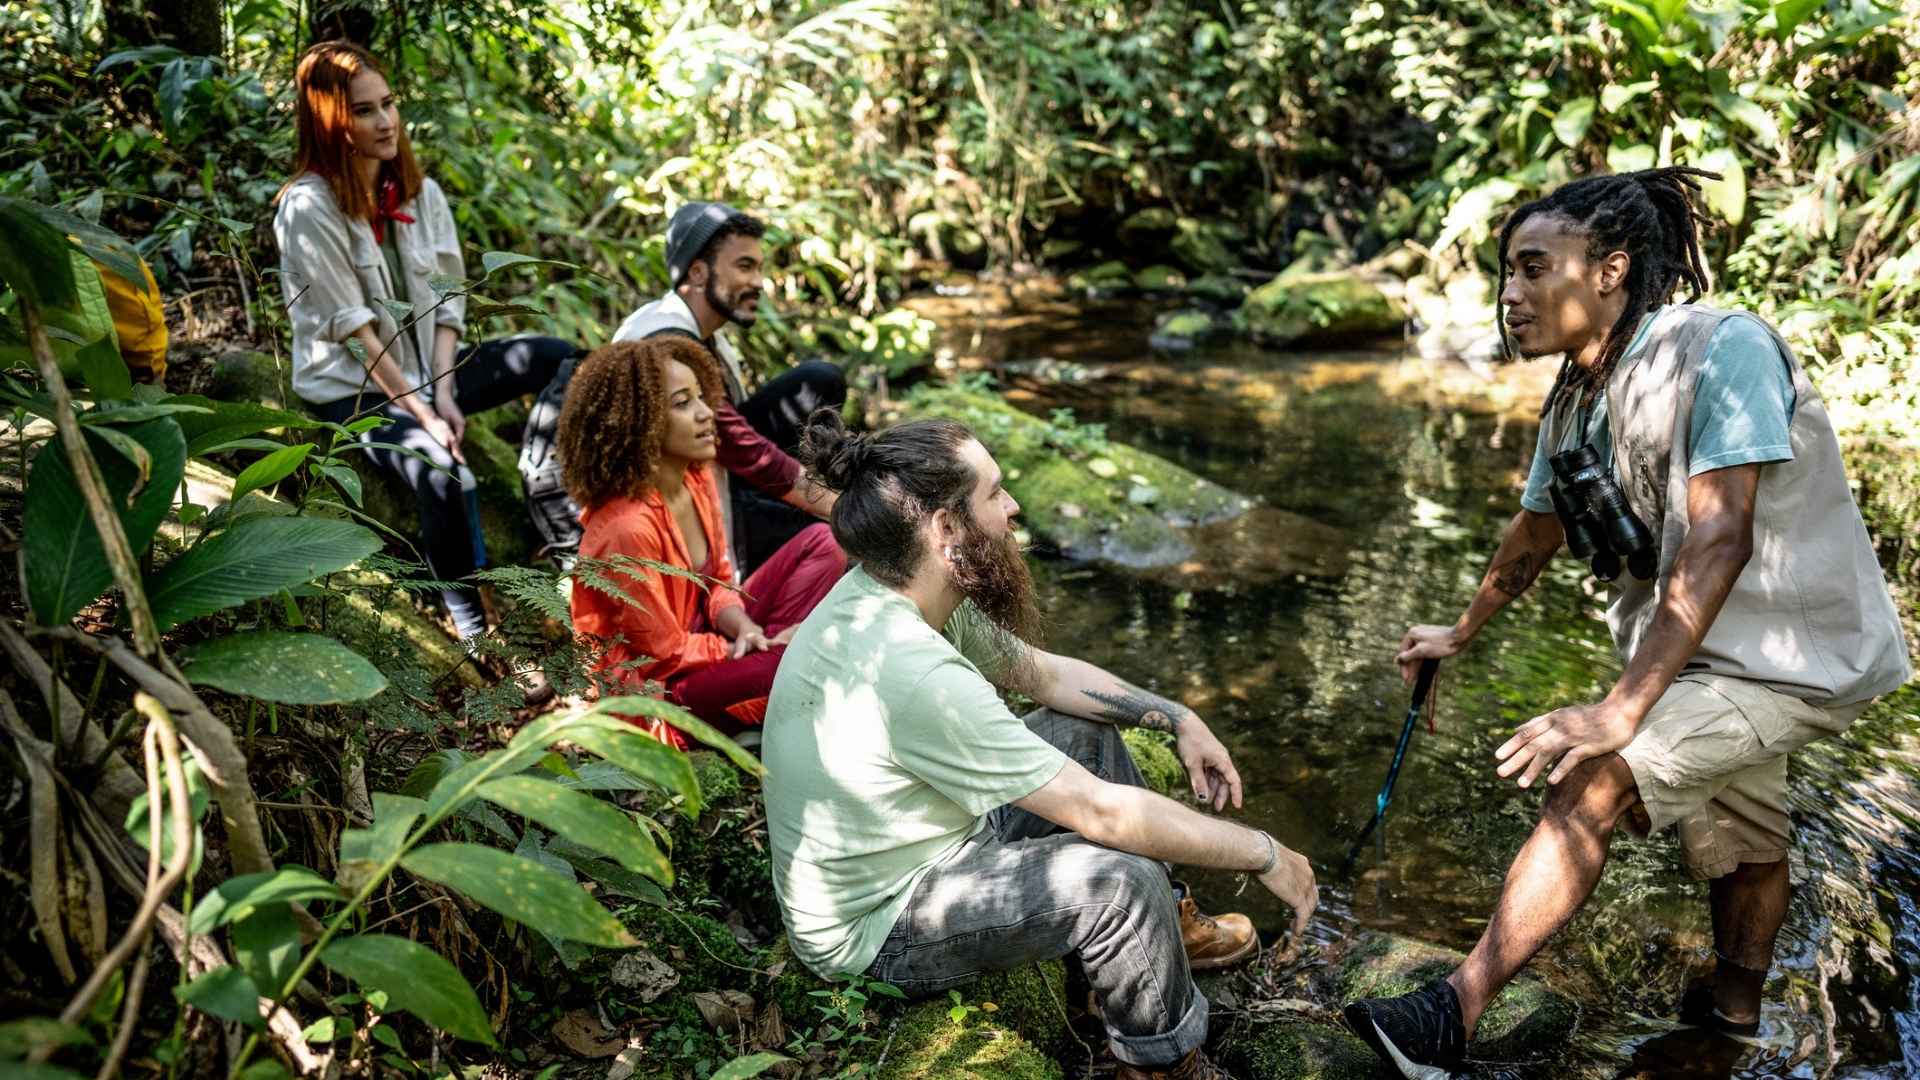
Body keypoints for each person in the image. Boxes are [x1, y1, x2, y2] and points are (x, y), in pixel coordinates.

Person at [1344, 168, 1911, 1078]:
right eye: (1506, 273)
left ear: (1609, 270)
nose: (1511, 294)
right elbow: (1534, 532)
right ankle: (1730, 1025)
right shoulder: (1573, 399)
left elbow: (1719, 540)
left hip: (1796, 661)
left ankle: (1451, 1017)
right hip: (1695, 662)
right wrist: (1460, 634)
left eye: (1534, 269)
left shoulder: (1724, 349)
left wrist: (1618, 711)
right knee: (1749, 846)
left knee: (1596, 774)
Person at [762, 410, 1320, 1080]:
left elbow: (1045, 675)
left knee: (1087, 734)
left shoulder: (902, 592)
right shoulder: (910, 670)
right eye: (995, 493)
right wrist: (1264, 853)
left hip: (929, 840)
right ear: (945, 528)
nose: (1014, 507)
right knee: (1121, 882)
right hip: (882, 925)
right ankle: (1163, 1063)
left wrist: (1177, 718)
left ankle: (1164, 934)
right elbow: (1105, 817)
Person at [274, 40, 577, 641]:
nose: (386, 121)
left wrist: (444, 390)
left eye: (388, 104)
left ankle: (558, 512)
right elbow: (357, 335)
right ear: (329, 120)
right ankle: (472, 626)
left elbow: (448, 298)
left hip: (427, 368)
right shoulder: (307, 209)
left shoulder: (420, 193)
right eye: (364, 110)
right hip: (359, 390)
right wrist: (423, 412)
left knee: (561, 357)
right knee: (439, 467)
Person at [561, 337, 846, 747]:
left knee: (821, 541)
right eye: (683, 403)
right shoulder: (627, 527)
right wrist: (746, 648)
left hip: (707, 647)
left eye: (701, 397)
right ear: (637, 421)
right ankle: (767, 679)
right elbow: (662, 652)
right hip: (655, 694)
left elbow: (718, 585)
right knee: (795, 660)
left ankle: (769, 675)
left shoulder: (696, 479)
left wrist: (747, 629)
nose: (705, 413)